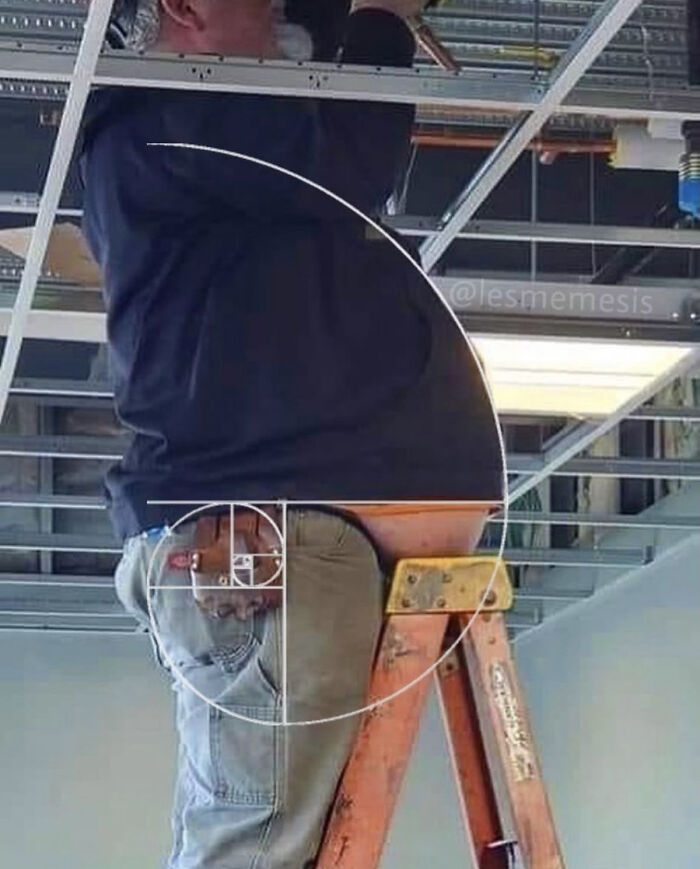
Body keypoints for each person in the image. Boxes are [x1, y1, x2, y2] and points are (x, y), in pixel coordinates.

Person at [79, 1, 503, 866]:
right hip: (263, 544)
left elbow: (321, 130)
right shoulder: (167, 115)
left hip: (276, 541)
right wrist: (381, 22)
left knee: (258, 849)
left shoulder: (203, 144)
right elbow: (350, 158)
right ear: (184, 8)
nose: (282, 13)